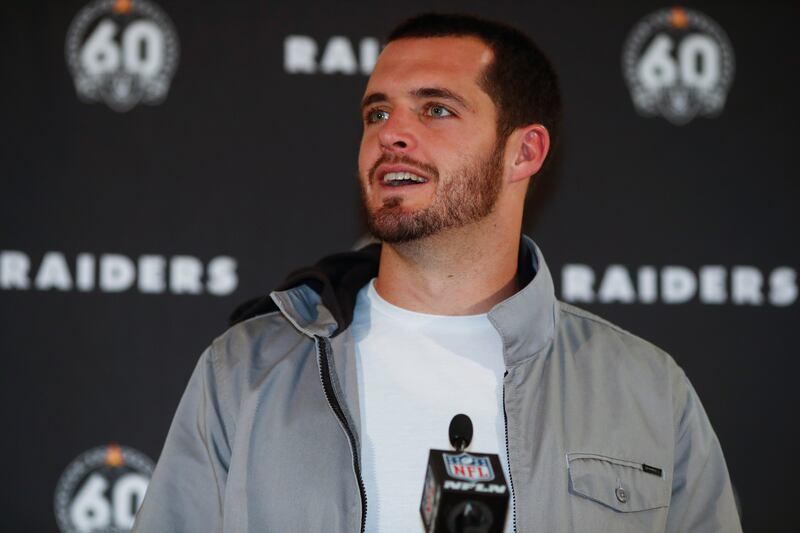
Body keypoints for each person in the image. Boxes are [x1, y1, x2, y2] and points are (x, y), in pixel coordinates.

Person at [132, 12, 742, 533]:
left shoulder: (647, 389)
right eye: (377, 114)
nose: (392, 134)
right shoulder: (246, 370)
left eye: (436, 109)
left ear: (523, 152)